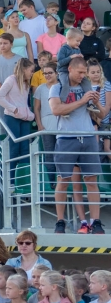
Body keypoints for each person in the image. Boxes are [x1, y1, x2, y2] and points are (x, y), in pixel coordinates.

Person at [50, 57, 106, 234]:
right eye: (80, 72)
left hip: (88, 137)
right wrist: (82, 101)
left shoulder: (87, 87)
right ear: (70, 69)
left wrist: (96, 101)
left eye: (85, 73)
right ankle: (60, 221)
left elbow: (103, 115)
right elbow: (56, 110)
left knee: (91, 180)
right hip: (66, 138)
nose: (83, 76)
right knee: (64, 180)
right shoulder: (57, 87)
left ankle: (95, 221)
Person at [0, 59, 35, 187]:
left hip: (24, 118)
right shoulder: (11, 80)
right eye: (31, 70)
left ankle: (23, 181)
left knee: (25, 148)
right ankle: (11, 181)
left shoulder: (26, 83)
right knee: (14, 148)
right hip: (12, 117)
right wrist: (14, 109)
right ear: (24, 69)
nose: (32, 73)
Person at [33, 64, 60, 190]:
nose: (47, 75)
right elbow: (36, 108)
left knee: (61, 154)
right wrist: (39, 124)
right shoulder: (40, 88)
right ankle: (51, 184)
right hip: (46, 124)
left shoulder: (62, 87)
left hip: (61, 124)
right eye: (45, 73)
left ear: (57, 73)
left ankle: (62, 183)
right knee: (49, 154)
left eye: (50, 73)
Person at [0, 34, 22, 111]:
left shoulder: (20, 59)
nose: (2, 46)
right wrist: (4, 91)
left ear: (11, 44)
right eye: (0, 43)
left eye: (5, 43)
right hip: (1, 97)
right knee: (2, 120)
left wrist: (13, 91)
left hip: (17, 96)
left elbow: (23, 78)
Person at [87, 59, 111, 159]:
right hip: (91, 122)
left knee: (107, 149)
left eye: (98, 72)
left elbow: (108, 104)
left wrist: (101, 117)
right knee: (96, 149)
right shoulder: (86, 86)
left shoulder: (106, 84)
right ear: (87, 73)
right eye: (93, 72)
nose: (96, 74)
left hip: (105, 121)